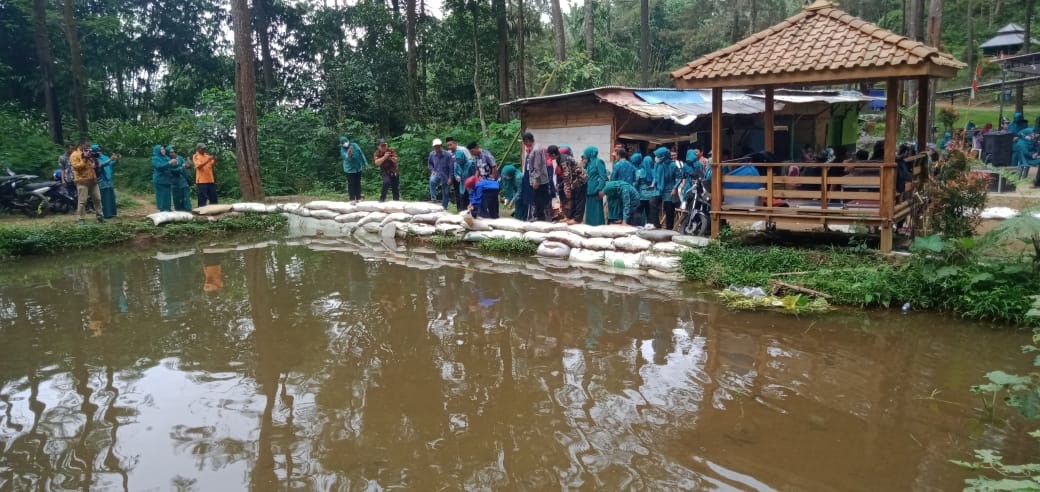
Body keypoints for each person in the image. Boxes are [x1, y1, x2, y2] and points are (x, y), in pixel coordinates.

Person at [548, 145, 586, 224]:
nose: (549, 157)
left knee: (579, 200)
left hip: (580, 179)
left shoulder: (563, 160)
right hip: (574, 179)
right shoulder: (560, 158)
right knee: (572, 198)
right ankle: (570, 217)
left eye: (549, 155)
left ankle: (577, 219)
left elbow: (566, 176)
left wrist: (567, 189)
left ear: (554, 155)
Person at [70, 141, 104, 224]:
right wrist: (84, 159)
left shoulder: (90, 153)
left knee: (97, 199)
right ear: (81, 145)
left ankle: (100, 217)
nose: (88, 147)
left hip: (93, 180)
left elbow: (97, 166)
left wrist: (95, 159)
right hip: (82, 181)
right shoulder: (74, 155)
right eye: (86, 146)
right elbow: (76, 167)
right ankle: (81, 219)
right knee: (82, 201)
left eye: (89, 146)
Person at [523, 133, 551, 222]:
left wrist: (536, 180)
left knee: (539, 199)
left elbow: (537, 165)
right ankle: (539, 217)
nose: (525, 144)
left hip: (540, 180)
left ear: (528, 140)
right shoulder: (534, 148)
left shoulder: (537, 149)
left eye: (525, 142)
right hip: (537, 178)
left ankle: (540, 217)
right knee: (537, 199)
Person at [651, 147, 680, 230]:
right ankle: (657, 225)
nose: (656, 158)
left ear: (663, 156)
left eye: (658, 156)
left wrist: (675, 188)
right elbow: (655, 176)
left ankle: (669, 229)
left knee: (669, 210)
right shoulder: (658, 165)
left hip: (669, 189)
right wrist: (653, 184)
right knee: (652, 203)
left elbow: (679, 178)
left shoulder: (673, 165)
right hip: (659, 188)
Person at [582, 146, 607, 226]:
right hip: (588, 191)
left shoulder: (598, 162)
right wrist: (584, 163)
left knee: (597, 213)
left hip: (596, 191)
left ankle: (599, 228)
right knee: (589, 213)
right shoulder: (588, 163)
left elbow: (603, 177)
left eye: (586, 154)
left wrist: (600, 189)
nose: (585, 156)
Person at [94, 144, 120, 219]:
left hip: (108, 179)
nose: (99, 152)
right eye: (97, 150)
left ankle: (112, 213)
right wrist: (110, 159)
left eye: (99, 150)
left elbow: (111, 164)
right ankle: (105, 214)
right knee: (103, 197)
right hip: (101, 179)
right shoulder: (93, 159)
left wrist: (116, 159)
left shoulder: (105, 157)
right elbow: (100, 165)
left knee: (110, 196)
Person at [427, 138, 453, 210]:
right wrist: (432, 170)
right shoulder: (432, 154)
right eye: (435, 146)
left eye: (437, 146)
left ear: (441, 146)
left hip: (446, 175)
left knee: (446, 193)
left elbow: (451, 167)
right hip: (436, 173)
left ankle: (444, 208)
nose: (436, 148)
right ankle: (433, 198)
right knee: (432, 181)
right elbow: (430, 164)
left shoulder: (448, 155)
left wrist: (450, 178)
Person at [339, 135, 367, 201]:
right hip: (349, 169)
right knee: (351, 184)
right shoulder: (342, 150)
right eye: (343, 143)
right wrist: (349, 154)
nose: (345, 143)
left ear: (348, 140)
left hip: (358, 167)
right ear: (341, 144)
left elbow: (361, 153)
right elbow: (346, 157)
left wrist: (365, 163)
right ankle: (352, 199)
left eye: (345, 141)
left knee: (358, 183)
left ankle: (358, 197)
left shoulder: (355, 145)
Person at [168, 146, 192, 212]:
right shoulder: (168, 160)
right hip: (174, 180)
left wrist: (188, 164)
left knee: (186, 195)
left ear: (176, 153)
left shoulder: (180, 158)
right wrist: (182, 167)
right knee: (176, 196)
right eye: (170, 152)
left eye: (172, 152)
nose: (171, 154)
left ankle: (188, 209)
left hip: (183, 180)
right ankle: (179, 210)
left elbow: (186, 165)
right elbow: (172, 170)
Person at [151, 145, 174, 211]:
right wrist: (169, 163)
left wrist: (175, 164)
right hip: (159, 180)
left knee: (168, 195)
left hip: (167, 180)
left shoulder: (166, 157)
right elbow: (159, 166)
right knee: (161, 195)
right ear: (158, 150)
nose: (163, 150)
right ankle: (162, 209)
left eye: (163, 149)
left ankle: (168, 209)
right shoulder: (155, 158)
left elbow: (170, 167)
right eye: (161, 149)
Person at [634, 153, 653, 226]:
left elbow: (636, 183)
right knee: (649, 213)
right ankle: (649, 228)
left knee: (638, 212)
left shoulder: (640, 171)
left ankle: (637, 226)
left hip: (641, 195)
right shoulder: (654, 171)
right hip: (651, 196)